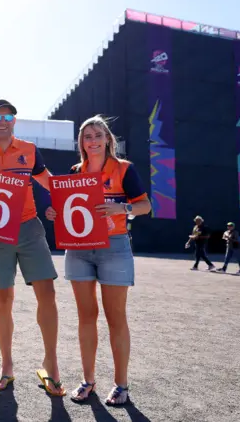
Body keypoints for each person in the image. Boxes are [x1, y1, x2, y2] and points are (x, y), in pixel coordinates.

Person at [45, 115, 152, 405]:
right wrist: (55, 214)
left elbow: (145, 205)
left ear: (107, 139)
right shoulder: (74, 170)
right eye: (86, 136)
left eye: (97, 135)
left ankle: (121, 385)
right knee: (86, 317)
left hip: (114, 247)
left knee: (116, 318)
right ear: (81, 142)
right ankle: (88, 380)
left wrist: (122, 207)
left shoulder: (124, 169)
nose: (92, 140)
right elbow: (66, 207)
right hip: (78, 247)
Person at [0, 100, 64, 396]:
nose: (3, 120)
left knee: (48, 292)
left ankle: (51, 364)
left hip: (30, 226)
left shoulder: (29, 151)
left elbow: (49, 182)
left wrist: (67, 200)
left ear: (14, 121)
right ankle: (6, 365)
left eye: (8, 116)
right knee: (3, 298)